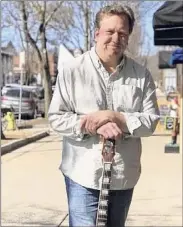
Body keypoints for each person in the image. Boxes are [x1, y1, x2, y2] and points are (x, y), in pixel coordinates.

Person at [48, 3, 160, 227]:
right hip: (83, 173)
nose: (116, 38)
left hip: (123, 175)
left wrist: (117, 118)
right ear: (97, 33)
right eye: (110, 31)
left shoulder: (142, 75)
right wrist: (90, 124)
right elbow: (56, 117)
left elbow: (151, 121)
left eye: (122, 33)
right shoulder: (72, 71)